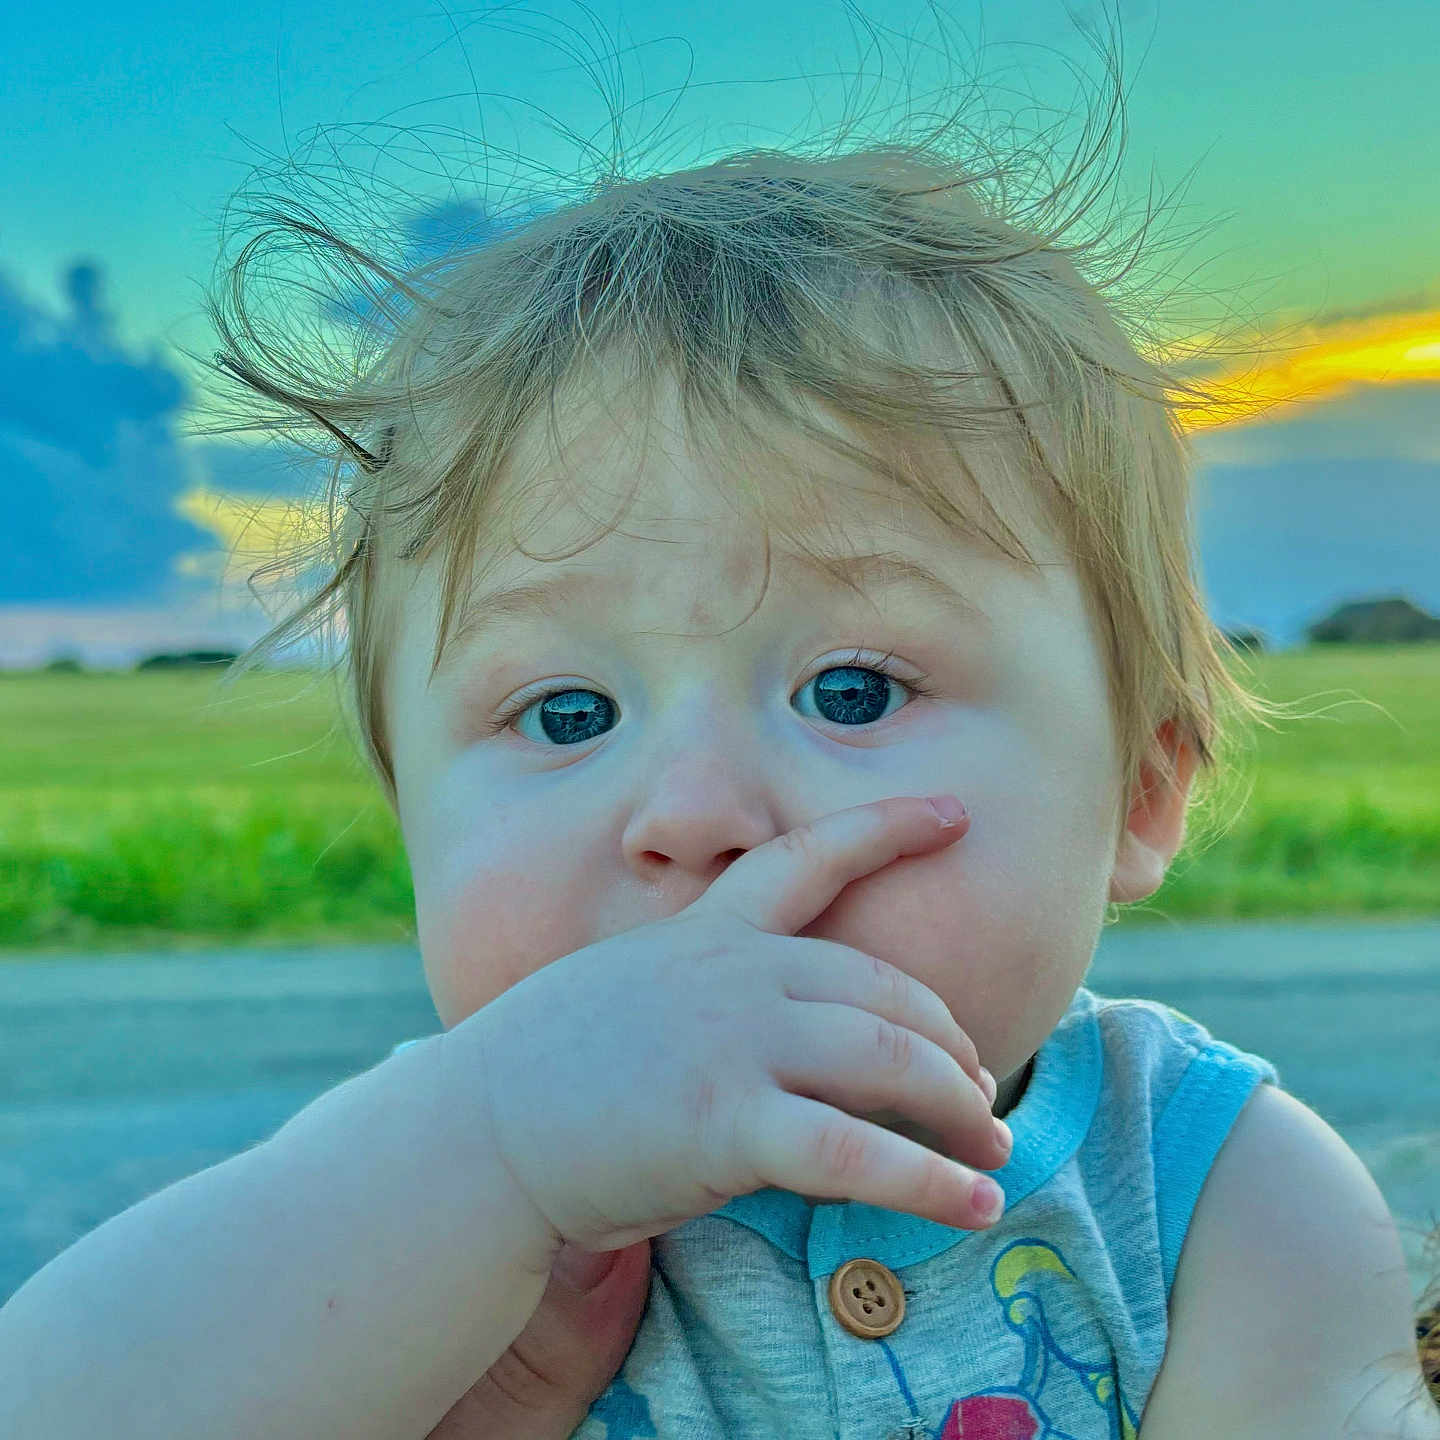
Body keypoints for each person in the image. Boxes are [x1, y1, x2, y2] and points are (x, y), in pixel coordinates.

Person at [2, 27, 1437, 1440]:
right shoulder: (407, 1191)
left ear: (1135, 792)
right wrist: (494, 1150)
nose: (694, 811)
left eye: (853, 691)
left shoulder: (1214, 1190)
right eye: (568, 714)